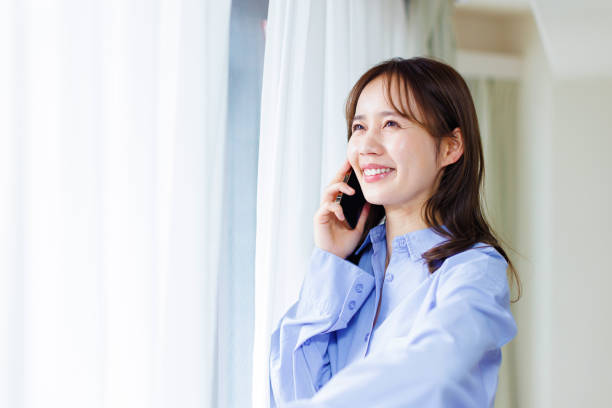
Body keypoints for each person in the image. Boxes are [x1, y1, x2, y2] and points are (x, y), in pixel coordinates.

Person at [268, 56, 521, 408]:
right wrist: (329, 261)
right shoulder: (350, 273)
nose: (367, 146)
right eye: (359, 127)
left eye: (391, 124)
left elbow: (431, 372)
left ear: (450, 147)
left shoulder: (474, 271)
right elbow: (290, 390)